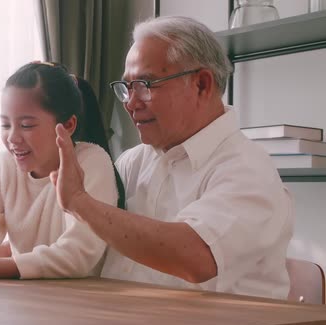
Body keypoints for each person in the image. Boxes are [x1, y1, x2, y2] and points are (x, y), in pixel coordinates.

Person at [49, 16, 294, 299]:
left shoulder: (248, 170)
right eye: (127, 87)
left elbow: (195, 257)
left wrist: (80, 202)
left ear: (202, 84)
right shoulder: (133, 162)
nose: (130, 102)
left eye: (145, 84)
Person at [0, 61, 121, 279]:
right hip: (25, 299)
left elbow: (77, 255)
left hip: (84, 300)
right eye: (5, 125)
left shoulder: (92, 162)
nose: (12, 137)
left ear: (67, 125)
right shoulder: (4, 166)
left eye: (26, 125)